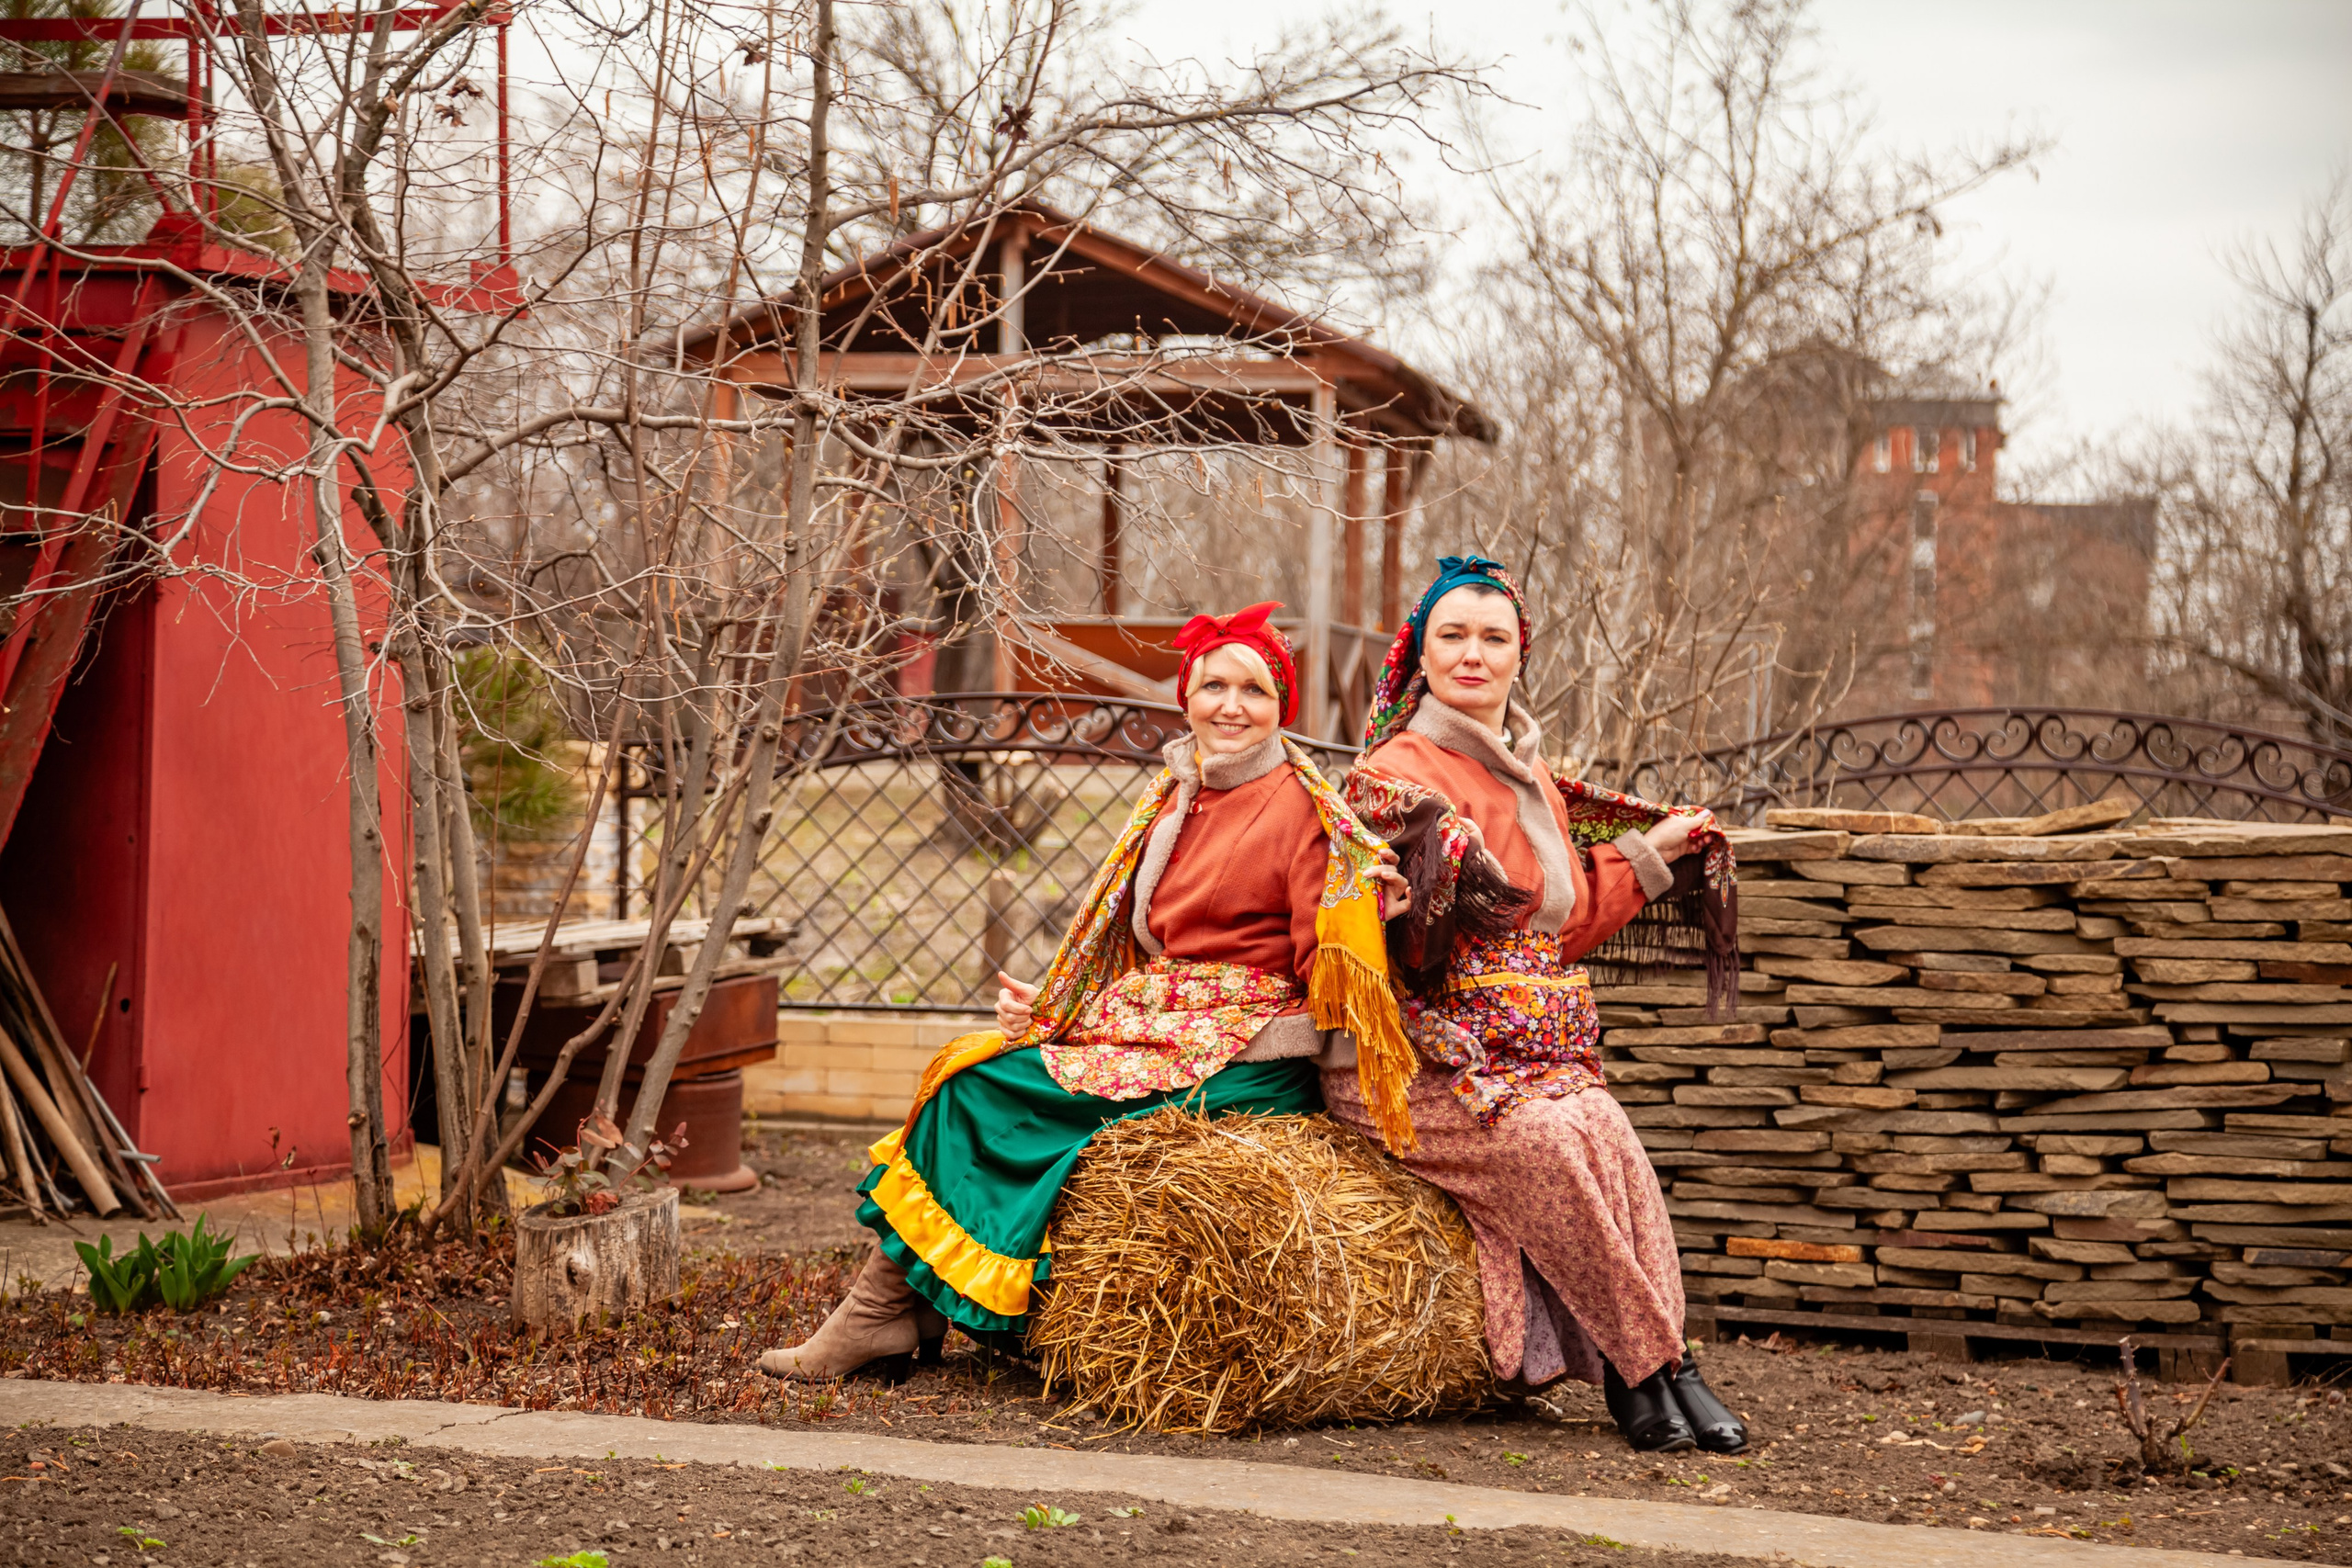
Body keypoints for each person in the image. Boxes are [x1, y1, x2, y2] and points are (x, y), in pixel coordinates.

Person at [758, 602, 1416, 1381]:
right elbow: (1134, 944)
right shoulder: (1173, 797)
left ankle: (882, 1312)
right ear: (1187, 697)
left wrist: (1370, 915)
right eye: (1214, 686)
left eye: (1254, 690)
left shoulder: (1306, 809)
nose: (1231, 706)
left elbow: (1328, 955)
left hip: (1244, 1056)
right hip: (1164, 1020)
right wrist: (1055, 1004)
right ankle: (903, 1308)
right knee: (968, 1069)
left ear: (1281, 706)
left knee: (983, 1090)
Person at [1334, 554, 1749, 1455]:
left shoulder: (1535, 781)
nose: (1472, 654)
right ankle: (1644, 1372)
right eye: (1453, 635)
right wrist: (1386, 904)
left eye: (1493, 637)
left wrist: (1650, 852)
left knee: (1607, 1132)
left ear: (1521, 655)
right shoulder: (1388, 775)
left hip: (1528, 1054)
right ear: (1419, 655)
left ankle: (1673, 1367)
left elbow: (1548, 930)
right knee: (1553, 1144)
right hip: (1415, 1061)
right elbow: (1345, 909)